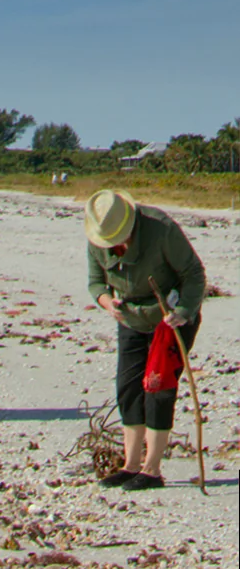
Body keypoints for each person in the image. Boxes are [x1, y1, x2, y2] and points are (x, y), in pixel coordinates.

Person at [86, 190, 206, 491]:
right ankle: (130, 465)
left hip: (170, 318)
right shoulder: (97, 235)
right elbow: (96, 282)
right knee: (128, 389)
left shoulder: (160, 228)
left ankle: (152, 469)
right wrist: (105, 301)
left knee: (158, 386)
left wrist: (182, 311)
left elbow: (194, 274)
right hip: (130, 319)